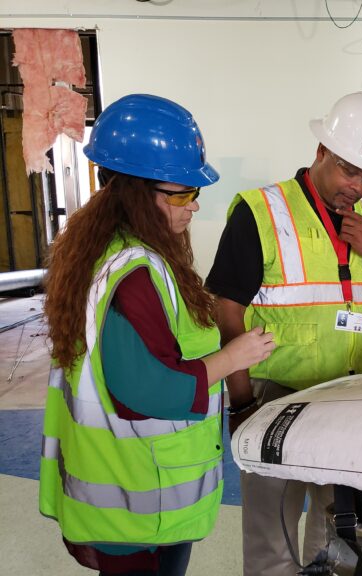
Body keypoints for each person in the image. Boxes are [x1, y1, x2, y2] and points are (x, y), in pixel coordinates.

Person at [39, 94, 276, 576]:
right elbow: (148, 391)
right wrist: (235, 356)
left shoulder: (105, 251)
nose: (194, 205)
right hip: (141, 503)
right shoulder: (135, 274)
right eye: (182, 194)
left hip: (126, 487)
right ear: (135, 193)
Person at [206, 91, 362, 575]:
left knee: (335, 527)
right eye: (349, 170)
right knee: (271, 532)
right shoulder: (261, 211)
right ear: (321, 151)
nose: (358, 186)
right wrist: (242, 403)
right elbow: (226, 310)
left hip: (347, 397)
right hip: (274, 397)